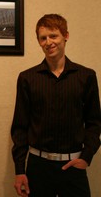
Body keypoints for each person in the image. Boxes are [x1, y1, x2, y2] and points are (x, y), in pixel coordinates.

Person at [11, 14, 101, 197]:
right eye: (43, 38)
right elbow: (20, 127)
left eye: (53, 36)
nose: (48, 42)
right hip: (38, 167)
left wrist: (86, 157)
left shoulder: (86, 76)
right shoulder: (27, 78)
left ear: (65, 36)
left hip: (73, 166)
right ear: (38, 41)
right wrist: (20, 169)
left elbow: (94, 123)